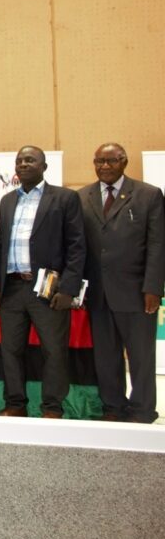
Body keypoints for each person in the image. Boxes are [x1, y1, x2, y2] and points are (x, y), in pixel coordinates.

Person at [0, 146, 86, 418]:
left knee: (54, 351)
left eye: (30, 160)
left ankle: (52, 406)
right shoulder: (8, 201)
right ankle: (15, 404)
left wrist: (68, 288)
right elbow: (2, 245)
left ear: (44, 167)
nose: (23, 164)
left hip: (47, 288)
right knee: (10, 350)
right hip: (12, 288)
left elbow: (77, 247)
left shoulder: (65, 198)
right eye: (19, 161)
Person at [78, 142, 164, 423]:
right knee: (106, 357)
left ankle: (141, 410)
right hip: (98, 292)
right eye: (99, 161)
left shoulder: (148, 195)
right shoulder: (82, 196)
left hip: (136, 292)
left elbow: (157, 245)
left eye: (110, 161)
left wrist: (153, 288)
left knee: (141, 357)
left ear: (124, 162)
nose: (104, 166)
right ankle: (112, 407)